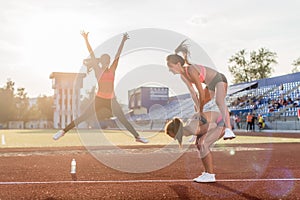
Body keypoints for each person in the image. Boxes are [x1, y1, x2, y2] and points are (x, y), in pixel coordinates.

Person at [53, 31, 148, 144]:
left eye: (108, 61)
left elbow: (118, 55)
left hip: (111, 100)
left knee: (123, 119)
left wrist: (123, 41)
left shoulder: (112, 69)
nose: (107, 62)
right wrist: (86, 39)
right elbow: (91, 53)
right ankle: (63, 131)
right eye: (105, 60)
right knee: (83, 117)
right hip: (99, 99)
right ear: (101, 61)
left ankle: (137, 137)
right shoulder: (98, 70)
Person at [166, 40, 235, 140]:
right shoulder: (183, 76)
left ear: (177, 64)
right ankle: (196, 131)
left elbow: (200, 92)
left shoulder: (191, 70)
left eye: (171, 67)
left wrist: (201, 111)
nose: (170, 70)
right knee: (196, 106)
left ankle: (229, 129)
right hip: (210, 85)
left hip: (219, 79)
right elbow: (193, 94)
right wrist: (199, 110)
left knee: (219, 101)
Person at [164, 98, 226, 183]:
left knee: (203, 144)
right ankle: (207, 172)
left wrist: (204, 138)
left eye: (169, 134)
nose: (170, 137)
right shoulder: (190, 130)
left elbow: (212, 125)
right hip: (216, 122)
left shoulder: (192, 128)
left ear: (175, 131)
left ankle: (210, 175)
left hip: (221, 121)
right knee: (199, 144)